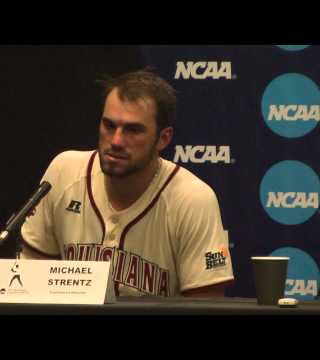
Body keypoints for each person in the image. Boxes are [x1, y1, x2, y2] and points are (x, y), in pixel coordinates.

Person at [20, 69, 234, 297]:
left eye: (133, 130)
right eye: (109, 126)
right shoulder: (64, 172)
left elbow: (206, 304)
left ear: (163, 138)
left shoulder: (192, 199)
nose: (116, 141)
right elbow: (30, 286)